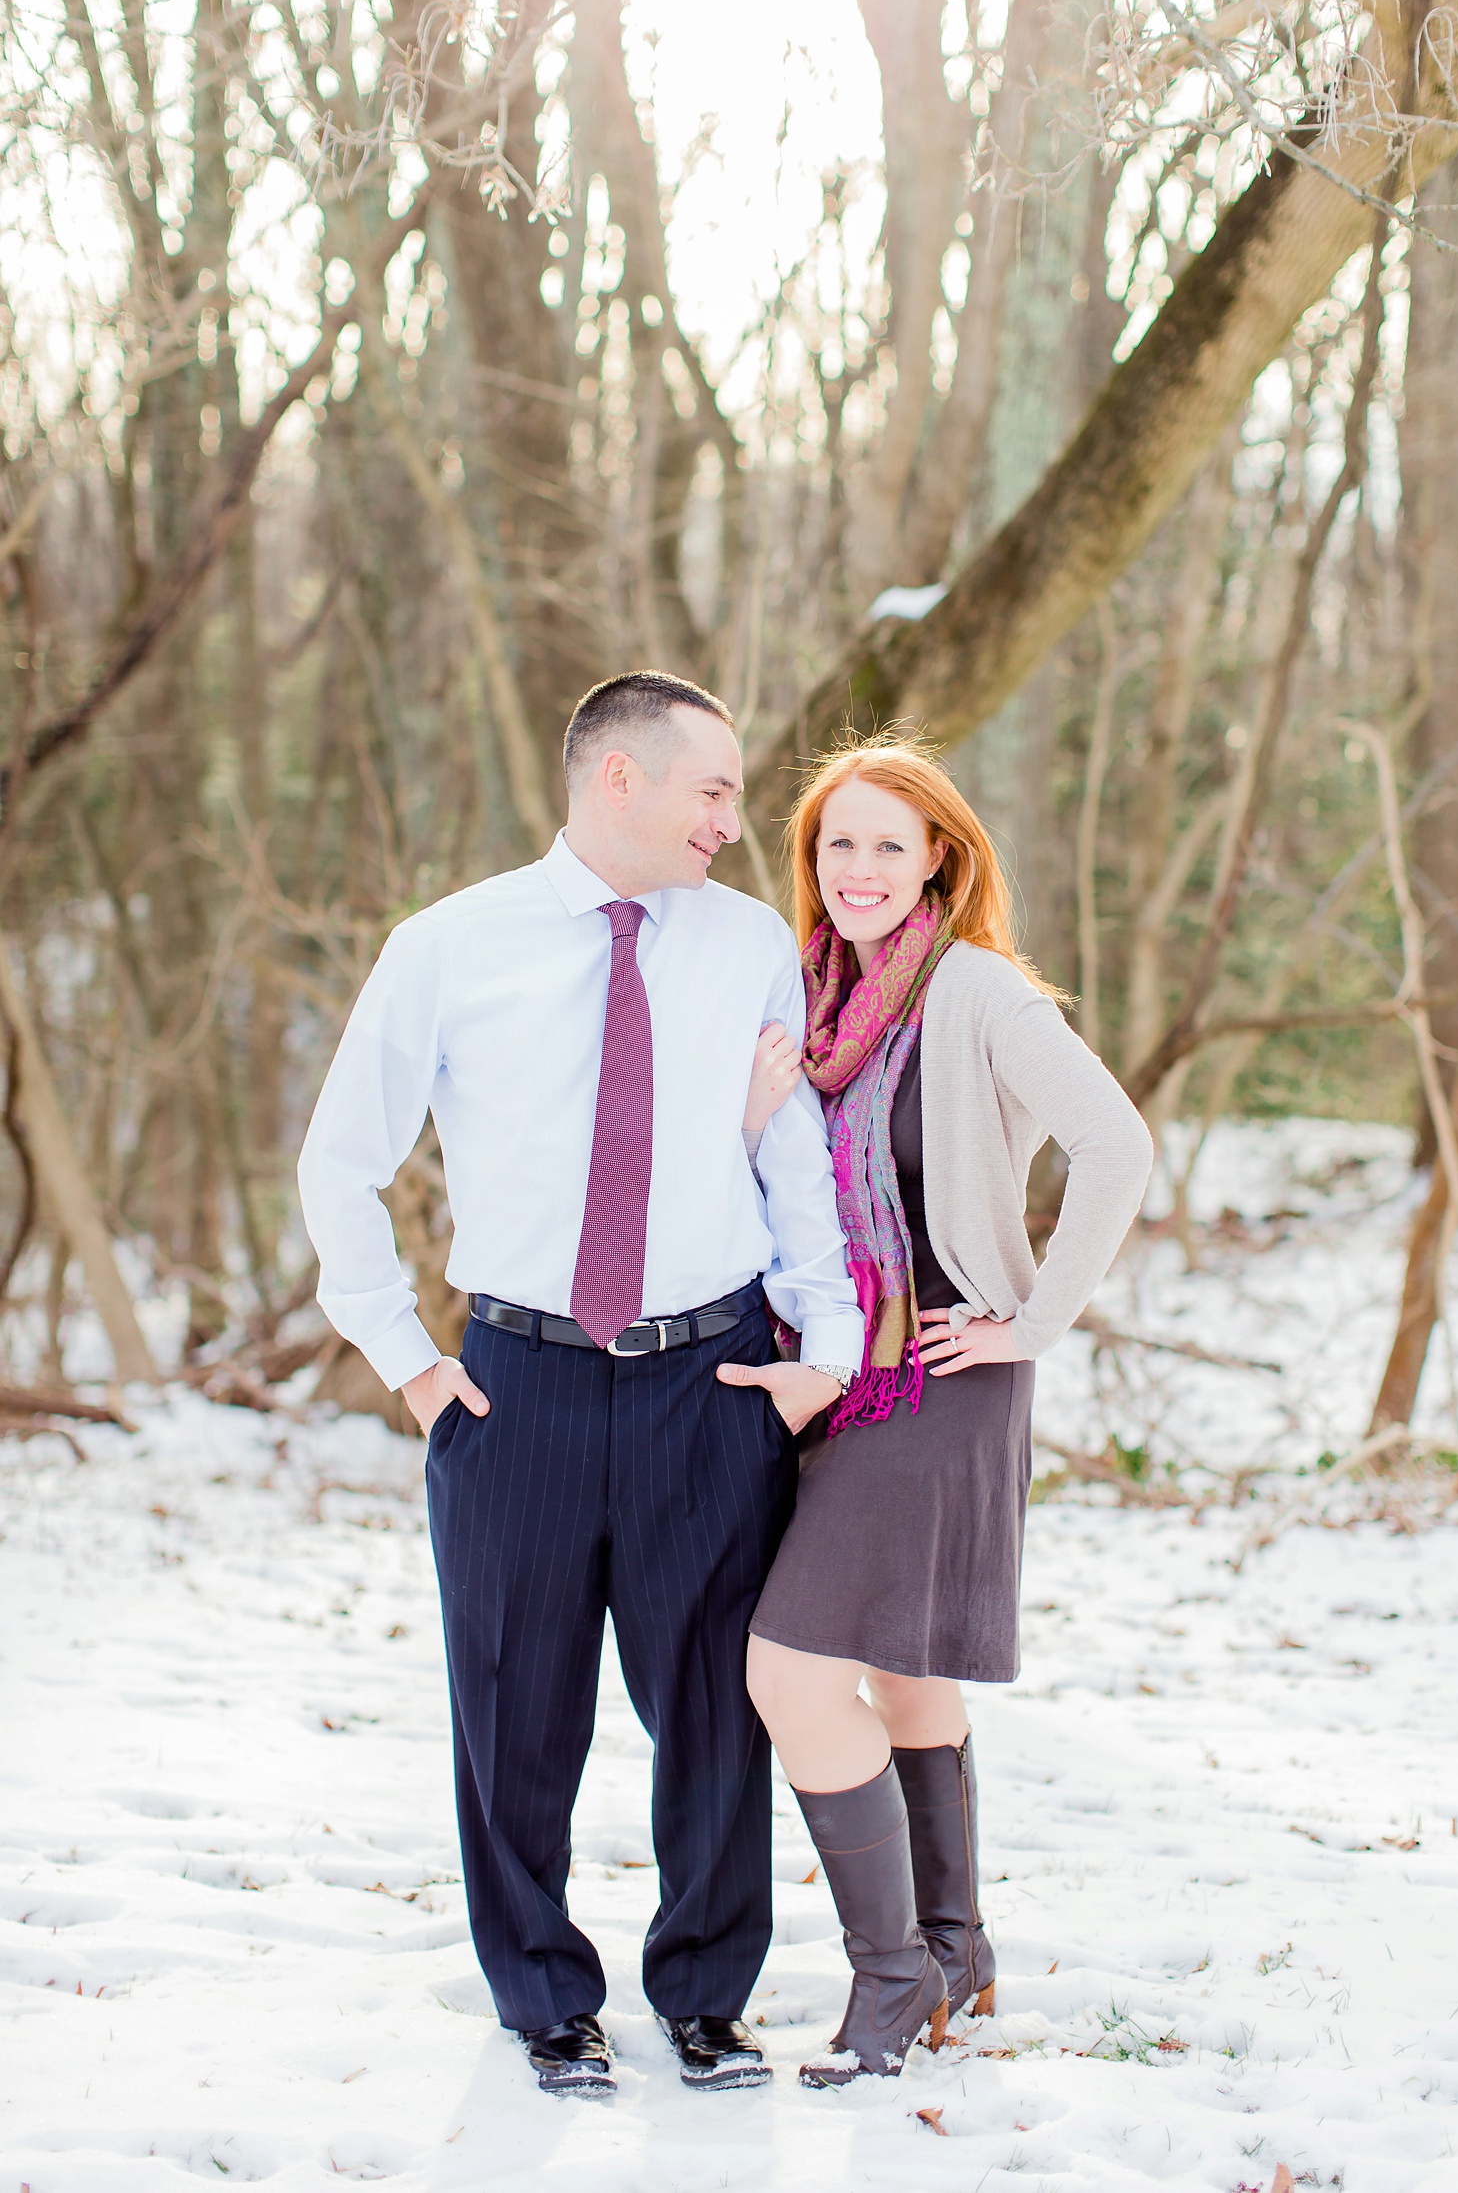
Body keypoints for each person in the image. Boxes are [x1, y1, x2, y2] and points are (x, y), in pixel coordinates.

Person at [297, 673, 863, 2099]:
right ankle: (545, 1997)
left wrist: (827, 1350)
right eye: (716, 790)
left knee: (716, 1716)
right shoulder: (447, 947)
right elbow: (338, 1163)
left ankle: (707, 1997)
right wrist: (411, 1365)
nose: (739, 822)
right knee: (513, 1709)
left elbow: (788, 1155)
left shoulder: (746, 947)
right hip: (514, 1388)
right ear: (621, 778)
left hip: (712, 1377)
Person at [717, 737, 1154, 2089]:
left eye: (886, 848)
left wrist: (1033, 1318)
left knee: (789, 1670)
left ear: (940, 864)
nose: (857, 871)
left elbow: (1118, 1144)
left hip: (944, 1368)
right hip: (841, 1364)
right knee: (905, 1669)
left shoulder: (975, 991)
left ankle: (891, 1977)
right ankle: (955, 1950)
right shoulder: (816, 998)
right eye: (835, 845)